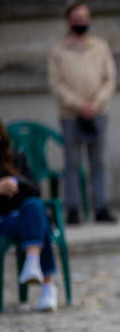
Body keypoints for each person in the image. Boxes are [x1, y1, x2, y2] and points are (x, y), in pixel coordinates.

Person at [47, 1, 117, 226]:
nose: (81, 21)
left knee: (99, 162)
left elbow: (110, 78)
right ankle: (73, 209)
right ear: (69, 21)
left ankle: (101, 206)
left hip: (98, 113)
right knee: (71, 163)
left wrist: (96, 103)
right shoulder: (58, 51)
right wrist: (79, 105)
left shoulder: (100, 46)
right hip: (71, 115)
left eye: (84, 17)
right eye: (76, 18)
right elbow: (56, 84)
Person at [0, 120, 58, 311]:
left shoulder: (15, 158)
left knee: (35, 207)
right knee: (41, 221)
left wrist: (16, 183)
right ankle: (48, 286)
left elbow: (35, 189)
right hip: (3, 221)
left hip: (23, 217)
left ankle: (33, 262)